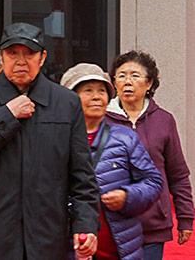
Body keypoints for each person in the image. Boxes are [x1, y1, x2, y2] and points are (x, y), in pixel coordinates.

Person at [0, 22, 99, 259]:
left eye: (29, 53)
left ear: (42, 58)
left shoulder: (66, 103)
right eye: (13, 53)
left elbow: (82, 174)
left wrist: (86, 224)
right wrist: (7, 114)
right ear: (2, 57)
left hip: (46, 233)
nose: (21, 61)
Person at [61, 62, 163, 260]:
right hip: (69, 246)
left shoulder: (124, 137)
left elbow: (153, 181)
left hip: (119, 248)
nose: (97, 97)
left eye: (102, 90)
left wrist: (127, 196)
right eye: (88, 91)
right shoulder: (55, 139)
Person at [105, 50, 194, 259]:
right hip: (113, 223)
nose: (128, 81)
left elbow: (178, 173)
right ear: (114, 83)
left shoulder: (164, 120)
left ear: (149, 83)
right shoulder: (101, 120)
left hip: (153, 224)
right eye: (121, 75)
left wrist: (185, 217)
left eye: (135, 76)